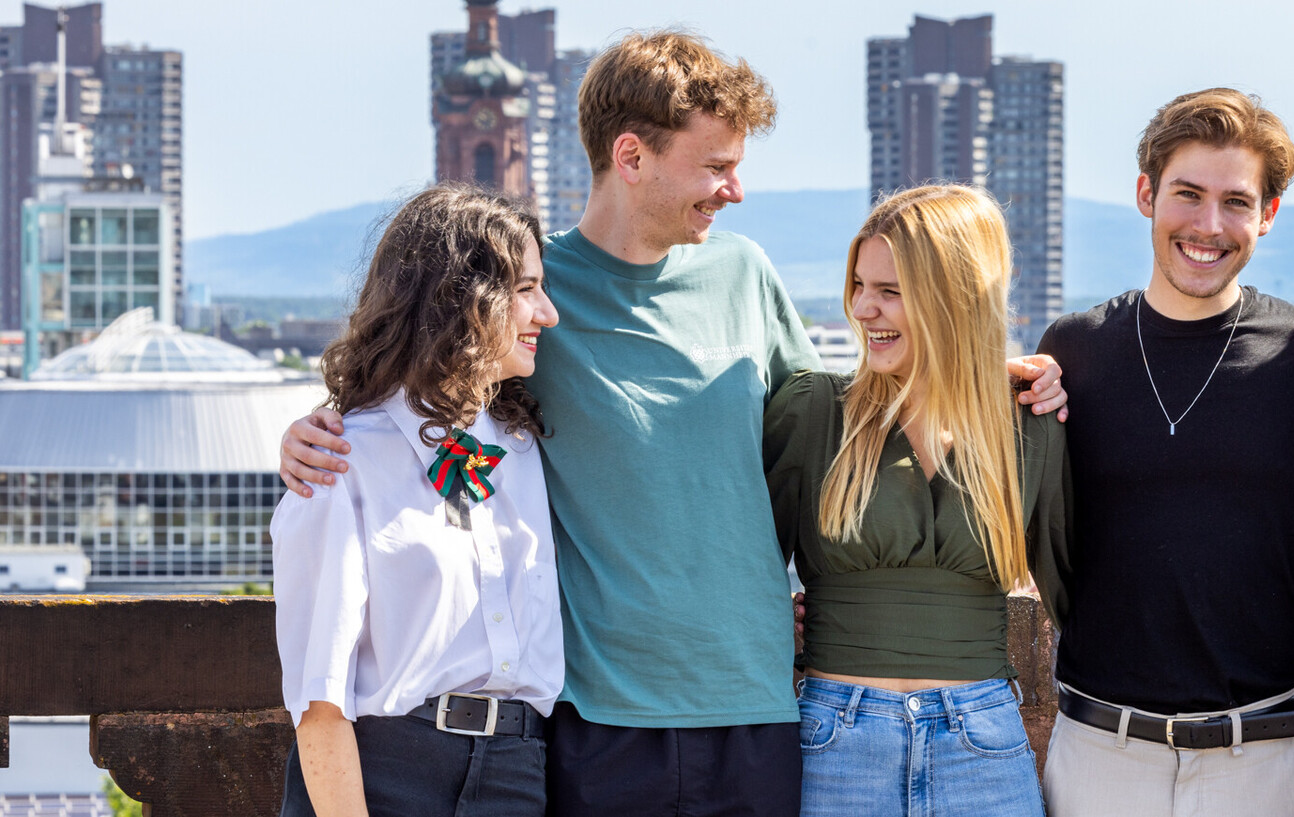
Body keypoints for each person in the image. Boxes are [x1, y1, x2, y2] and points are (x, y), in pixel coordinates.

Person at [277, 31, 1067, 817]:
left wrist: (986, 376)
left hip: (758, 711)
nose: (734, 190)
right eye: (716, 166)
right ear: (631, 156)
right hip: (600, 721)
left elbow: (852, 415)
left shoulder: (745, 273)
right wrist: (318, 429)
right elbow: (433, 392)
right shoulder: (535, 298)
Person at [1033, 88, 1294, 817]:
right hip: (1100, 751)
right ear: (1147, 195)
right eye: (1188, 194)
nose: (1209, 225)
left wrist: (1278, 586)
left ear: (1267, 214)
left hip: (1258, 755)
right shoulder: (1073, 350)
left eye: (1236, 202)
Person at [763, 184, 1066, 816]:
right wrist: (774, 620)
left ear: (955, 298)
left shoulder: (1029, 424)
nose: (863, 309)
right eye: (858, 286)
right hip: (835, 743)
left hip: (984, 744)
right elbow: (744, 571)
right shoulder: (814, 410)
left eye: (890, 291)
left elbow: (1078, 594)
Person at [273, 183, 560, 816]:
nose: (548, 313)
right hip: (388, 775)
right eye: (525, 290)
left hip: (519, 773)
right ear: (462, 298)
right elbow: (320, 701)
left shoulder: (519, 446)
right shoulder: (341, 461)